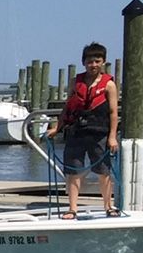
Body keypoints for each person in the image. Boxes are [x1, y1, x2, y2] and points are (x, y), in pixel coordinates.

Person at [47, 42, 119, 218]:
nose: (93, 65)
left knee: (103, 171)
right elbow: (67, 107)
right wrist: (57, 127)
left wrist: (112, 137)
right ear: (83, 62)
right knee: (73, 171)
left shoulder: (109, 85)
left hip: (99, 134)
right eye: (89, 61)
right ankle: (72, 208)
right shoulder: (75, 82)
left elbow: (113, 112)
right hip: (76, 131)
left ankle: (108, 206)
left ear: (103, 62)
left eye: (97, 61)